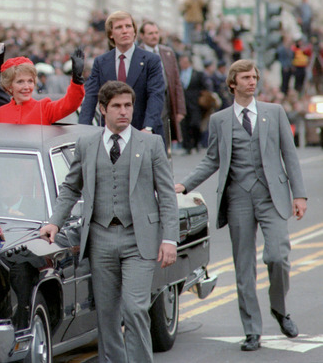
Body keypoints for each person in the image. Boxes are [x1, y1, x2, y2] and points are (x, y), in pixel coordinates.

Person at [40, 81, 178, 363]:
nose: (124, 112)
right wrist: (54, 222)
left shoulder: (150, 144)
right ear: (103, 109)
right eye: (116, 106)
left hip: (139, 239)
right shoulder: (87, 143)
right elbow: (70, 187)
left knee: (135, 308)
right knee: (106, 313)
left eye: (128, 105)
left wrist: (169, 239)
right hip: (100, 238)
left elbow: (166, 194)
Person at [175, 60, 307, 352]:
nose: (252, 81)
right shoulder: (221, 120)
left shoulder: (274, 113)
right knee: (243, 267)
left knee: (278, 255)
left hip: (272, 196)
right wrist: (185, 185)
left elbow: (290, 154)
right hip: (238, 198)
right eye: (246, 77)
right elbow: (212, 160)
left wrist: (300, 195)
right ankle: (252, 330)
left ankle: (280, 309)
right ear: (232, 83)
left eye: (255, 77)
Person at [78, 11, 165, 138]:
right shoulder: (101, 62)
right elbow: (91, 97)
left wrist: (148, 127)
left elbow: (156, 95)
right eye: (119, 27)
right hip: (110, 135)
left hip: (142, 132)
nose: (125, 31)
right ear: (111, 34)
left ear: (134, 32)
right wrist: (83, 129)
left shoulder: (151, 60)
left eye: (128, 26)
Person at [0, 51, 84, 124]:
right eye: (20, 82)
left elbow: (70, 104)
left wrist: (76, 81)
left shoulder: (44, 109)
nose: (26, 87)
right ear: (9, 86)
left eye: (30, 81)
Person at [138, 21, 186, 144]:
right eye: (150, 33)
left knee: (165, 138)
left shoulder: (167, 53)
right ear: (142, 36)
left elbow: (176, 82)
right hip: (146, 102)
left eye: (156, 33)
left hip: (166, 101)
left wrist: (180, 109)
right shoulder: (137, 54)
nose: (154, 36)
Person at [178, 54, 208, 153]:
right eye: (182, 62)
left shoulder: (197, 74)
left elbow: (205, 87)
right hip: (183, 103)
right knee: (184, 125)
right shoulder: (178, 73)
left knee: (195, 123)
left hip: (195, 103)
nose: (183, 64)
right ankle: (187, 146)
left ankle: (196, 142)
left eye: (185, 62)